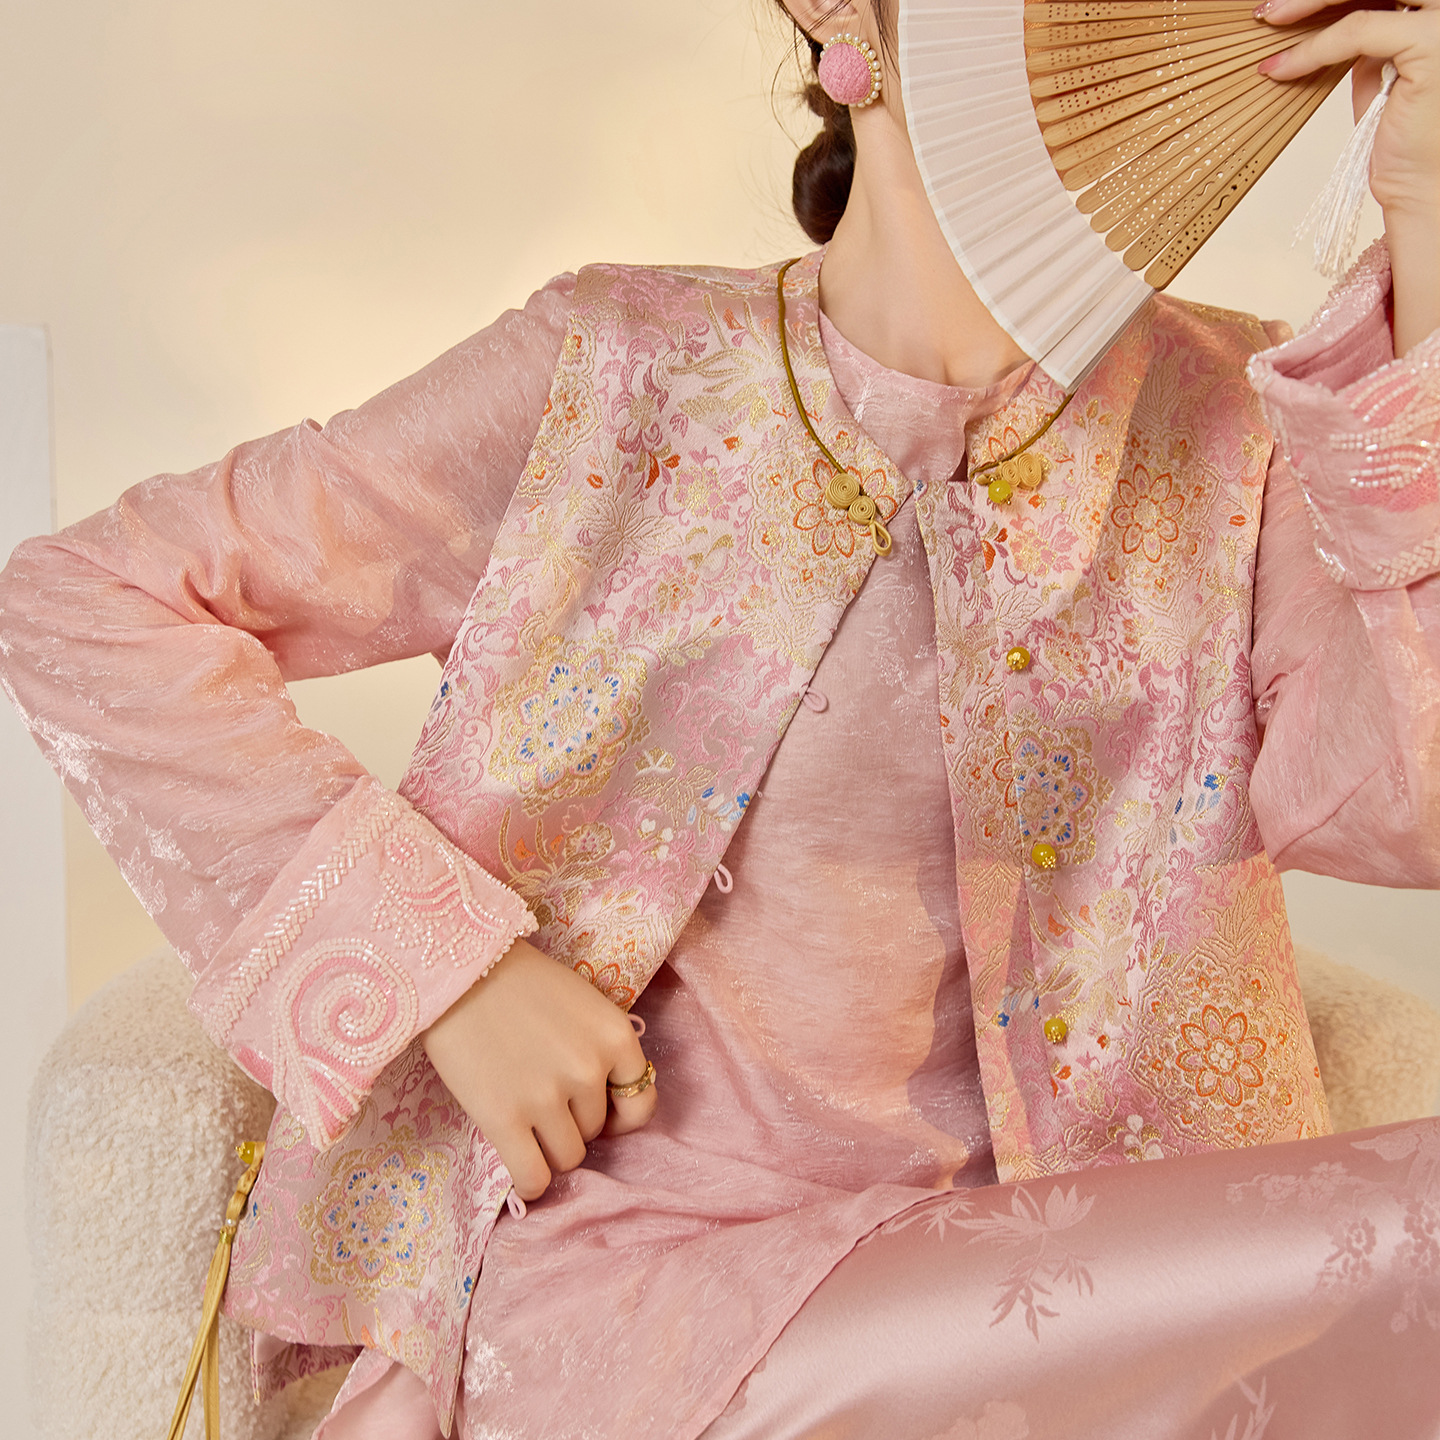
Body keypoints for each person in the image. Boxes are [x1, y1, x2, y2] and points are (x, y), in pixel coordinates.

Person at [3, 0, 1440, 1436]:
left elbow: (1412, 800)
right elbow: (81, 600)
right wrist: (446, 972)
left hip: (1085, 1301)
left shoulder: (1233, 425)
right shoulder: (622, 370)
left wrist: (1429, 208)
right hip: (645, 1308)